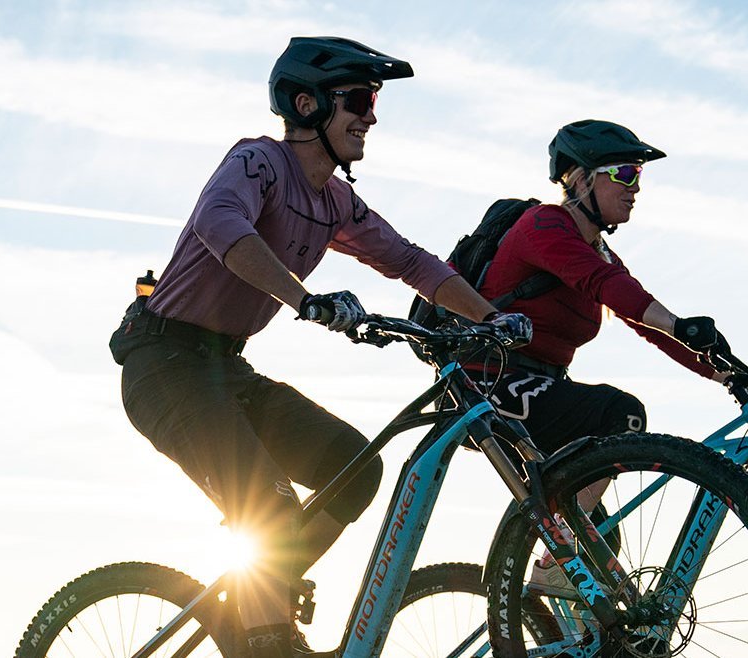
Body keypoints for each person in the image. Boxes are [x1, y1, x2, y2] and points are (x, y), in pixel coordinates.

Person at [108, 36, 529, 658]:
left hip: (226, 369)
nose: (372, 115)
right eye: (358, 99)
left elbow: (410, 261)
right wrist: (304, 299)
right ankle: (269, 636)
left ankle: (264, 600)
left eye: (374, 100)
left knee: (353, 465)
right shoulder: (257, 163)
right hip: (164, 365)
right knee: (270, 505)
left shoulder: (335, 201)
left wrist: (492, 317)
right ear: (305, 104)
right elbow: (222, 226)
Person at [474, 119, 733, 455]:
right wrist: (679, 325)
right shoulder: (544, 224)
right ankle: (553, 512)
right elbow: (606, 284)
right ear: (582, 180)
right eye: (625, 174)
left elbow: (648, 325)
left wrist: (727, 375)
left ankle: (555, 510)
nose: (635, 188)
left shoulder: (600, 252)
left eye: (638, 176)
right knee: (621, 413)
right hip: (487, 381)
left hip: (542, 388)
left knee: (581, 479)